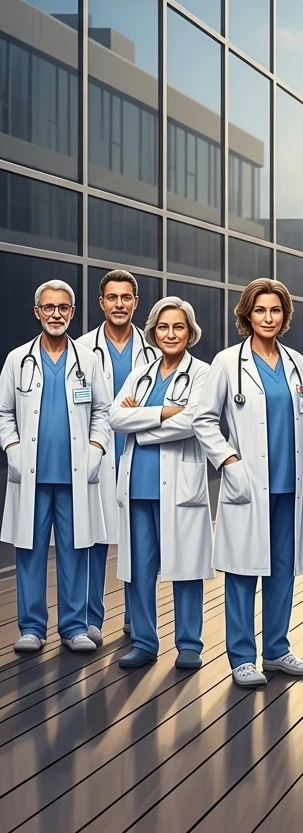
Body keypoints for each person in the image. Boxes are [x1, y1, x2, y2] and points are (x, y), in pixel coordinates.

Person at [192, 278, 303, 687]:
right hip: (247, 484)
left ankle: (278, 650)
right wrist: (229, 462)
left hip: (290, 485)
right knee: (243, 571)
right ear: (247, 315)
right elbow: (203, 419)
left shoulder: (297, 362)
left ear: (285, 315)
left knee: (283, 571)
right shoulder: (228, 362)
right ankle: (242, 656)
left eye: (275, 310)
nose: (268, 318)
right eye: (260, 310)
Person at [1, 280, 109, 653]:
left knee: (76, 551)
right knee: (29, 552)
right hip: (30, 474)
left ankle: (75, 627)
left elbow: (103, 411)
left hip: (74, 474)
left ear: (72, 312)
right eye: (49, 307)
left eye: (63, 307)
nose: (56, 314)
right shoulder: (18, 359)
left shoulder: (88, 361)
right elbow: (4, 413)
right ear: (37, 312)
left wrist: (95, 448)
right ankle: (32, 628)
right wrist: (12, 448)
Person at [109, 297, 212, 670]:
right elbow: (115, 417)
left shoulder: (203, 374)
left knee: (186, 568)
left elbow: (194, 421)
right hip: (137, 485)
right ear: (153, 332)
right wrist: (165, 413)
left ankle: (189, 644)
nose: (170, 334)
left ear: (190, 332)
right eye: (163, 327)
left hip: (181, 487)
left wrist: (141, 422)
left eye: (178, 327)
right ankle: (143, 642)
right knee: (139, 569)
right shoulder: (141, 373)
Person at [77, 270, 157, 645]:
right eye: (112, 297)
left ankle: (134, 616)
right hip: (97, 455)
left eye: (126, 298)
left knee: (137, 543)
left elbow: (162, 408)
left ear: (135, 303)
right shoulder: (82, 350)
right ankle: (91, 618)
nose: (119, 304)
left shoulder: (153, 353)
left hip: (140, 457)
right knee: (94, 539)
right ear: (101, 303)